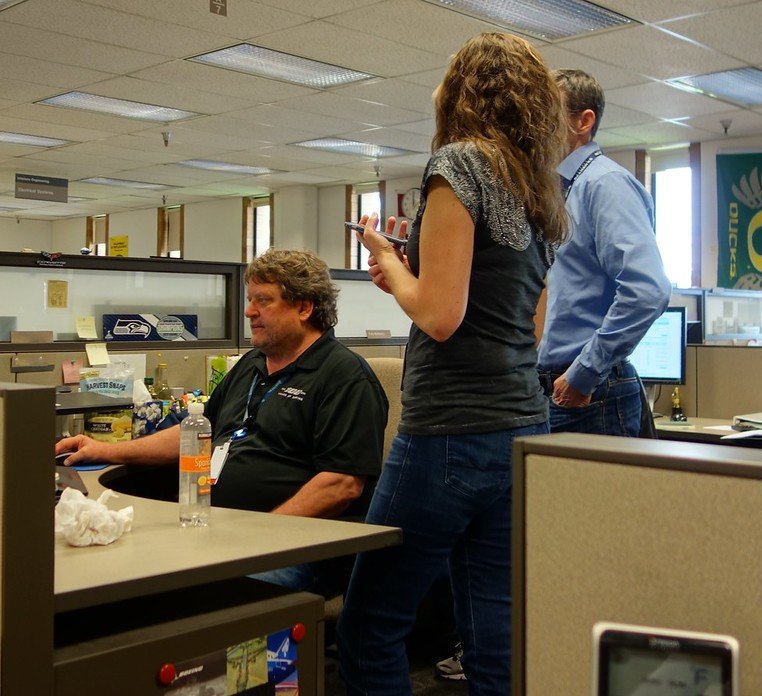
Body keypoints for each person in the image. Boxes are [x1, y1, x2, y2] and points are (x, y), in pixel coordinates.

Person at [336, 32, 569, 696]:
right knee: (495, 638)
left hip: (449, 435)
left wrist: (389, 265)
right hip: (523, 426)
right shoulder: (538, 188)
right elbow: (526, 323)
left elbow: (440, 316)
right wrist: (410, 278)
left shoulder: (458, 166)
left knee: (369, 629)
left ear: (458, 93)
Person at [56, 248, 388, 598]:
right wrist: (108, 449)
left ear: (305, 308)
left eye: (263, 300)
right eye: (249, 299)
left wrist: (257, 534)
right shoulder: (251, 365)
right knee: (119, 573)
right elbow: (196, 433)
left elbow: (340, 484)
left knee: (184, 595)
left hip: (292, 543)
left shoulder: (345, 377)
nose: (249, 312)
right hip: (218, 530)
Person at [536, 69, 672, 436]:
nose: (534, 126)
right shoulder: (563, 191)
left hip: (591, 395)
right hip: (559, 390)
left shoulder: (604, 184)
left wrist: (584, 372)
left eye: (547, 113)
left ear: (584, 121)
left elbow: (648, 290)